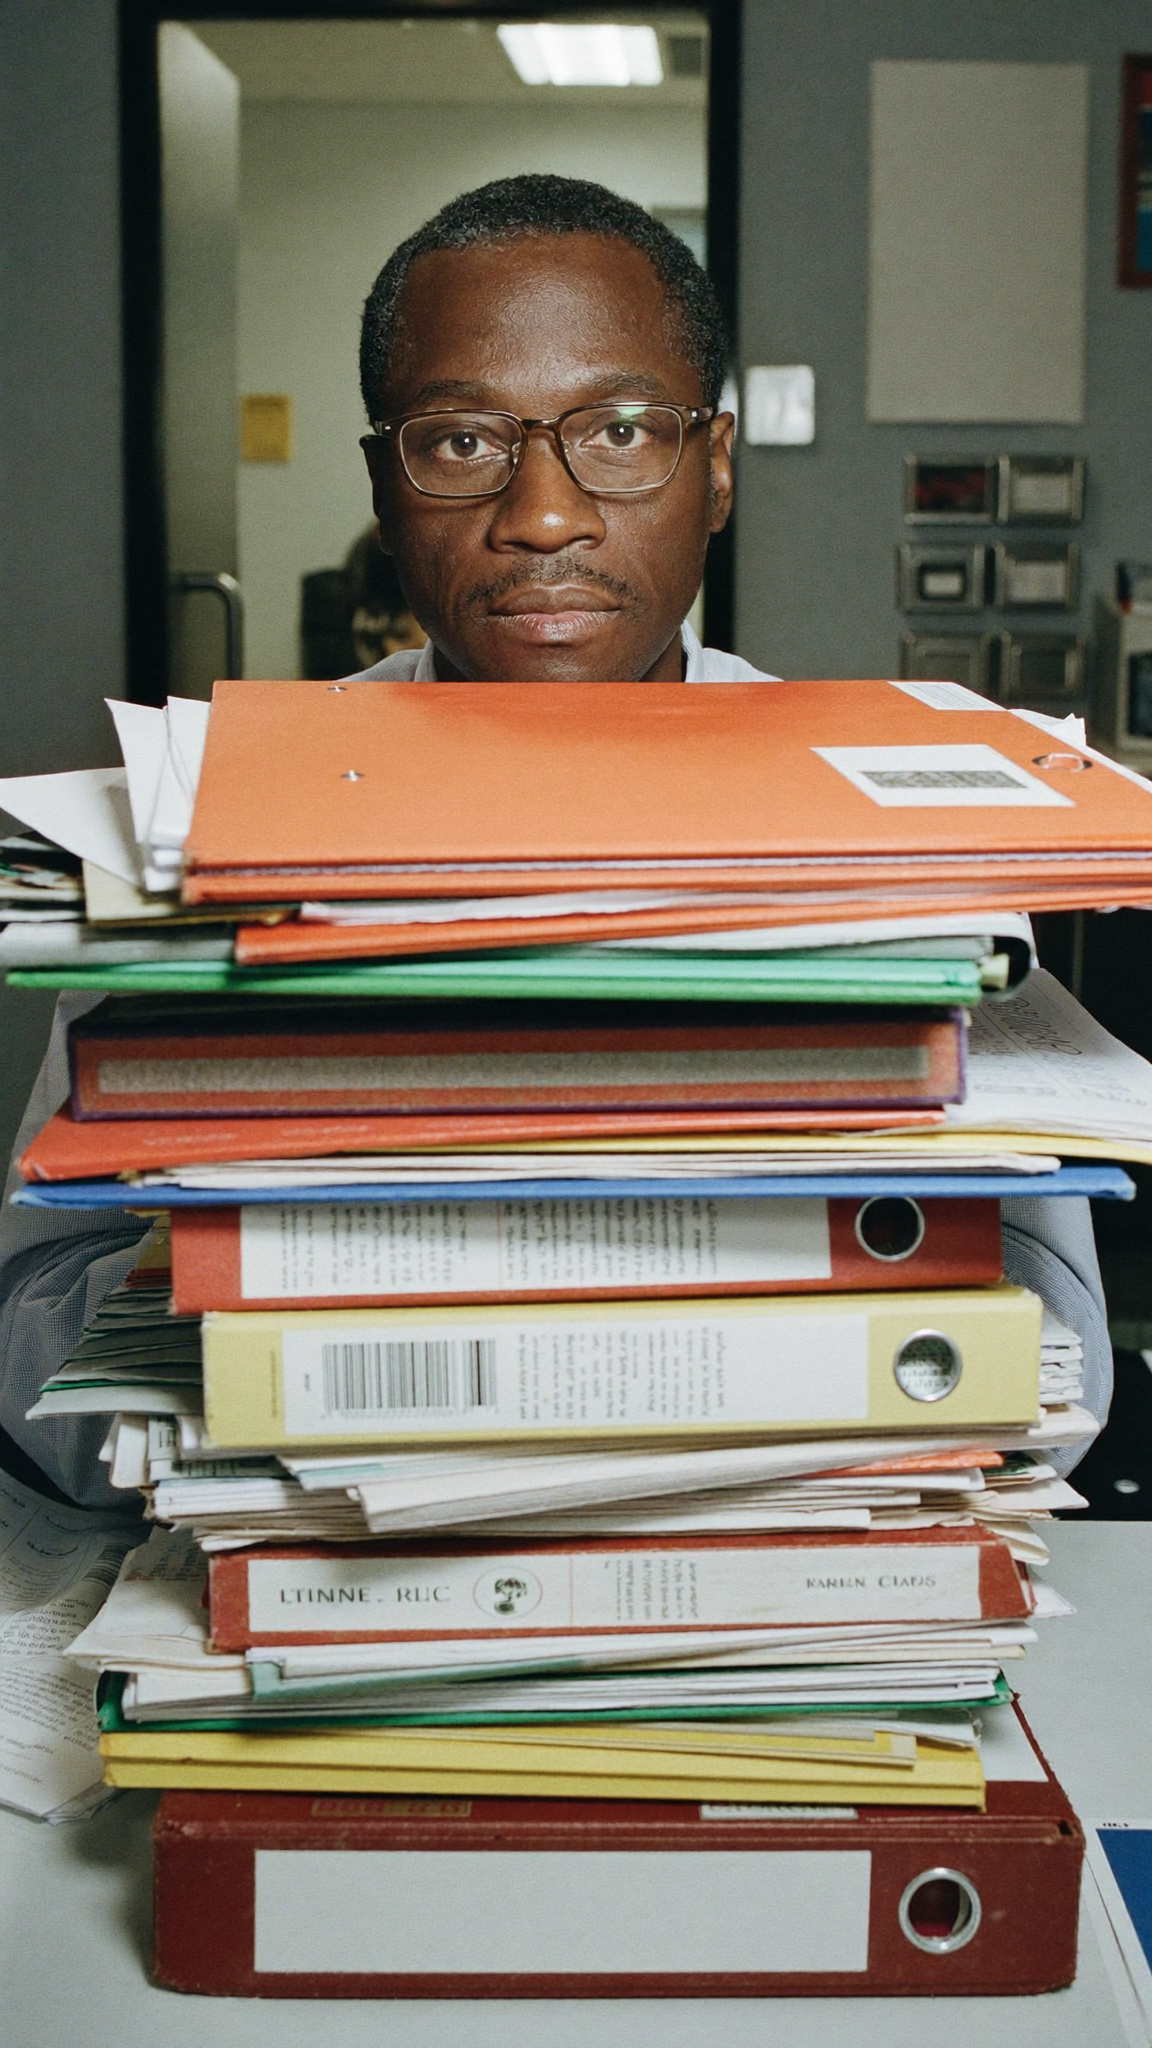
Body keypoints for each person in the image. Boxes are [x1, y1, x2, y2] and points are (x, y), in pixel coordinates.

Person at [0, 173, 1110, 1504]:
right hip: (327, 1547)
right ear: (385, 485)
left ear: (717, 468)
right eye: (461, 440)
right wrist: (305, 1357)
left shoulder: (909, 837)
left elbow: (1057, 1361)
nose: (541, 515)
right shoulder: (206, 822)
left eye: (623, 431)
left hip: (761, 1557)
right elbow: (38, 1336)